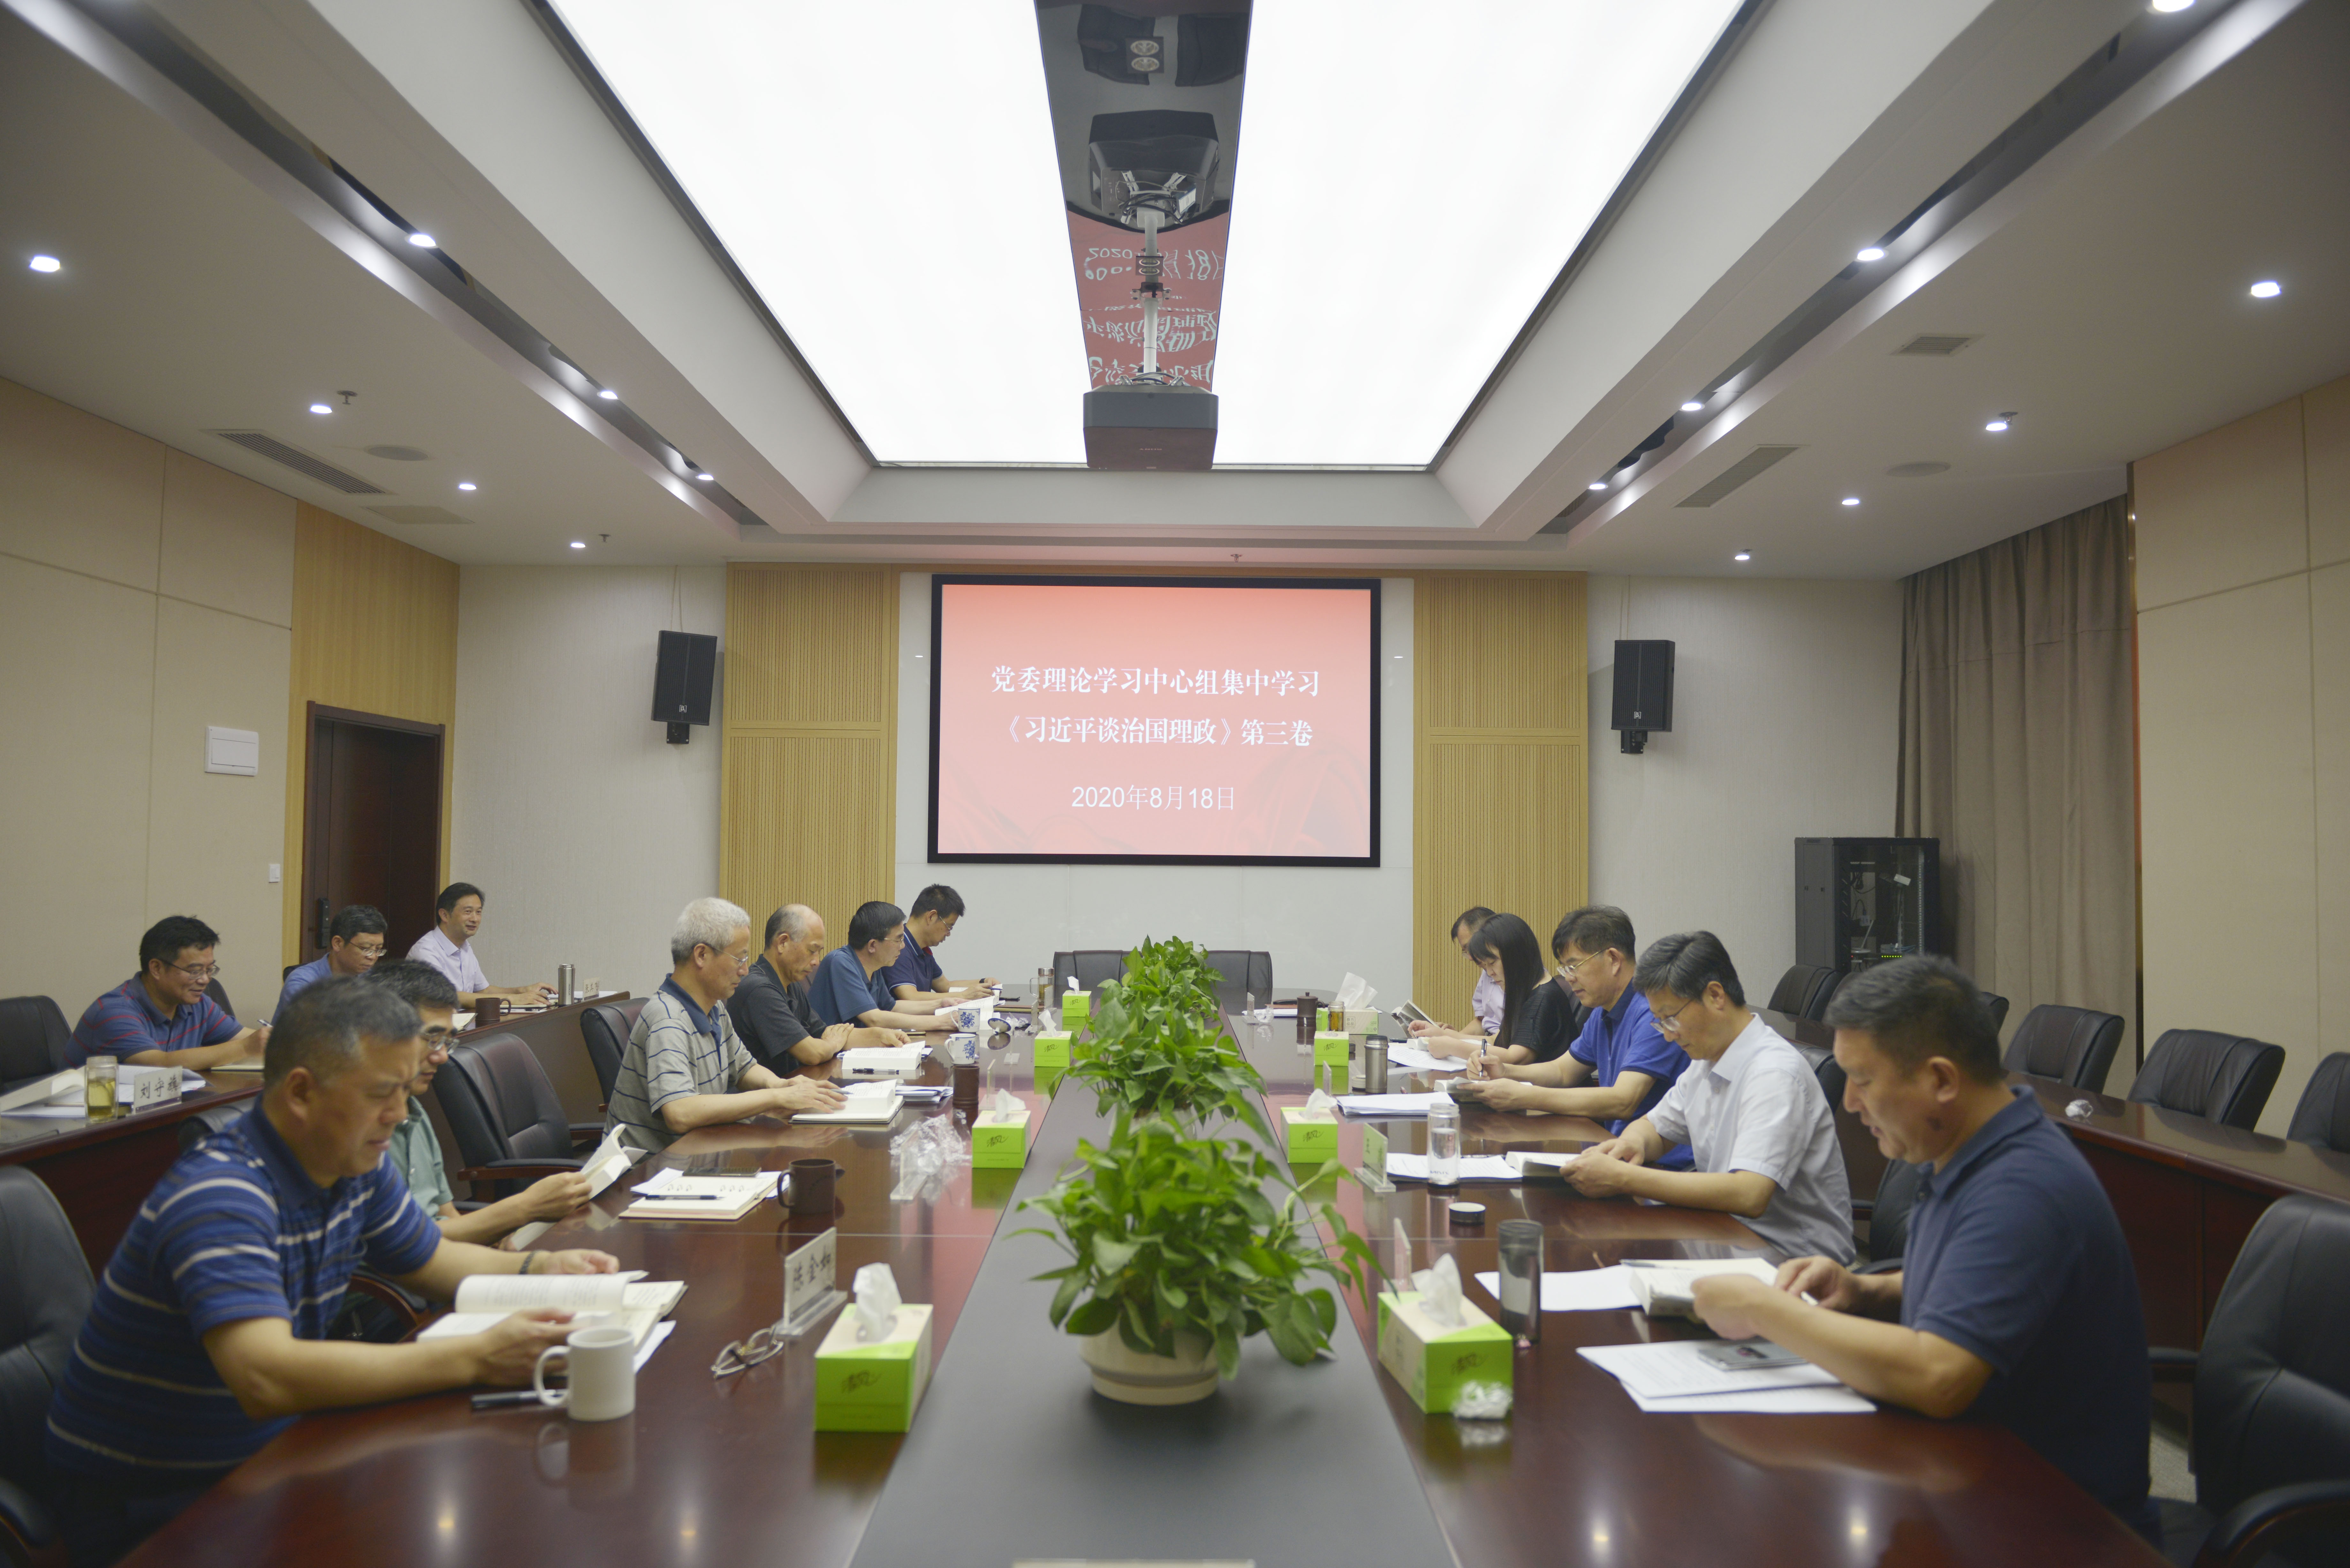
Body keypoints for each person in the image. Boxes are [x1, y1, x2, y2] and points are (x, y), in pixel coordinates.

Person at [42, 977, 618, 1567]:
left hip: (269, 1451)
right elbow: (266, 1377)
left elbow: (432, 1260)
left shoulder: (351, 1162)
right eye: (381, 1093)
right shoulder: (221, 1194)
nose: (399, 1115)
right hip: (151, 1497)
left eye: (404, 1091)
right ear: (301, 1092)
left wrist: (542, 1267)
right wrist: (478, 1358)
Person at [1690, 957, 2157, 1538]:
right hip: (1975, 1478)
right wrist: (1867, 1290)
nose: (1850, 1103)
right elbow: (1980, 1281)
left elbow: (1940, 1377)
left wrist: (1764, 1310)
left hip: (2061, 1526)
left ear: (1941, 1080)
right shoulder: (1970, 1148)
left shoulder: (2022, 1188)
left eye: (1864, 1080)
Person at [1564, 931, 1853, 1263]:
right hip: (1726, 1237)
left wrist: (1624, 1178)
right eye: (1660, 1023)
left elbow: (1749, 1194)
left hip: (1793, 1262)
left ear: (1715, 996)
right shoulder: (1706, 1061)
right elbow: (1654, 1127)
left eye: (1671, 1019)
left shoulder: (1773, 1074)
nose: (1668, 1036)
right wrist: (1630, 1145)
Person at [367, 960, 590, 1242]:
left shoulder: (414, 1112)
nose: (443, 1057)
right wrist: (524, 1210)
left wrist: (509, 1252)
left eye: (447, 1042)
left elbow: (448, 1220)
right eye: (432, 1039)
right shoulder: (353, 1129)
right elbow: (404, 1245)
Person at [602, 898, 847, 1152]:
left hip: (701, 1153)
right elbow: (680, 1113)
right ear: (702, 955)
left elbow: (743, 1068)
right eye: (739, 959)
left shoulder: (715, 1008)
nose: (745, 970)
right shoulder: (668, 1019)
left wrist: (782, 1086)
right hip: (652, 1168)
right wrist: (775, 1098)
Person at [1465, 906, 1694, 1168]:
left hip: (1662, 1165)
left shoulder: (1651, 1011)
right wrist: (1506, 1071)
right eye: (1565, 969)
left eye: (1574, 966)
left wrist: (1524, 1096)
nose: (1570, 978)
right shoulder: (1602, 1011)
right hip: (1617, 1151)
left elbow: (1624, 1101)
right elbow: (1563, 1071)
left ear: (1613, 959)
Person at [69, 915, 266, 1069]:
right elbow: (159, 1065)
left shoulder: (198, 1005)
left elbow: (250, 1038)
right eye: (195, 971)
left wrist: (275, 1039)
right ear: (157, 968)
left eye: (209, 970)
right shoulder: (114, 1011)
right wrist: (245, 1047)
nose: (205, 980)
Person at [732, 904, 910, 1072]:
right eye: (812, 950)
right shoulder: (760, 990)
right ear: (783, 943)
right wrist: (831, 1045)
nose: (817, 961)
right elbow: (813, 1053)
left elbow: (822, 1032)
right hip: (769, 1090)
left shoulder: (791, 985)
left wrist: (881, 1036)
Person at [806, 901, 957, 1032]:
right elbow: (874, 1018)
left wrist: (941, 1004)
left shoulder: (874, 966)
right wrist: (940, 1022)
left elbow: (892, 1007)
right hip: (827, 1052)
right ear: (873, 945)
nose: (903, 946)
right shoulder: (840, 962)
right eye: (899, 940)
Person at [406, 882, 550, 1009]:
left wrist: (523, 991)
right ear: (445, 915)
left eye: (479, 912)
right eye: (468, 912)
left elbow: (483, 991)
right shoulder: (426, 951)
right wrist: (512, 1000)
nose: (475, 919)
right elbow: (448, 997)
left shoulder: (465, 947)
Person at [1406, 906, 1503, 1059]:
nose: (1470, 957)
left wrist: (1450, 1038)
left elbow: (1502, 1043)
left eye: (1470, 948)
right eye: (1466, 951)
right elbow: (1483, 1021)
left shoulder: (1514, 976)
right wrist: (1453, 1037)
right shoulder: (1488, 971)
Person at [1461, 914, 1560, 1066]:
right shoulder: (1520, 991)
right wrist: (1446, 1036)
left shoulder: (1542, 997)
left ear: (1515, 955)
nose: (1490, 973)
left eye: (1492, 963)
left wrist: (1450, 1046)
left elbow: (1515, 1058)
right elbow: (1496, 1040)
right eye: (1485, 966)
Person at [880, 884, 997, 1005]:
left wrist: (984, 982)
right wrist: (963, 995)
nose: (949, 934)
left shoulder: (923, 949)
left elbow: (945, 986)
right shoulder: (899, 948)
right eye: (949, 927)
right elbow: (911, 997)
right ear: (931, 917)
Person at [274, 904, 387, 1016]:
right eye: (365, 949)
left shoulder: (374, 980)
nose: (373, 957)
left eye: (378, 949)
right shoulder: (303, 983)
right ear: (338, 943)